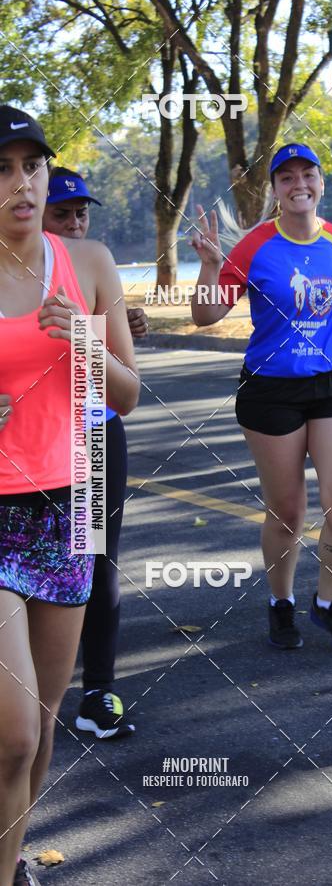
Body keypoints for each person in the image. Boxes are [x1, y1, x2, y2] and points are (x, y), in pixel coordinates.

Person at [0, 105, 139, 886]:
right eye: (3, 170)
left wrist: (83, 341)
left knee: (43, 734)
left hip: (70, 504)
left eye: (32, 167)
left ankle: (12, 858)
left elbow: (128, 395)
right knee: (13, 734)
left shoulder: (87, 262)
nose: (22, 184)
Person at [191, 143, 332, 651]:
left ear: (321, 183)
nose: (300, 184)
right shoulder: (253, 246)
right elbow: (205, 316)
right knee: (288, 510)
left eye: (309, 174)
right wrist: (211, 266)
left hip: (331, 381)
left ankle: (328, 602)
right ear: (275, 190)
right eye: (287, 177)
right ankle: (281, 602)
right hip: (270, 389)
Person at [43, 168, 148, 740]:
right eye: (64, 213)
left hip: (93, 435)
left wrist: (110, 331)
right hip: (25, 446)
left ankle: (98, 690)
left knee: (95, 558)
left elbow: (127, 382)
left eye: (82, 212)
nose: (76, 222)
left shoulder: (93, 263)